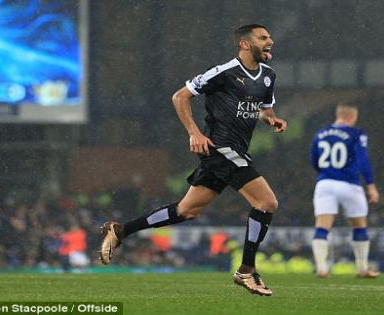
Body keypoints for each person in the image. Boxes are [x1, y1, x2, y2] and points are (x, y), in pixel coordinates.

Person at [99, 24, 287, 296]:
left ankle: (121, 231)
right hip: (221, 148)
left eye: (269, 36)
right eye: (263, 37)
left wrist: (272, 119)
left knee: (186, 211)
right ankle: (247, 270)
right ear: (245, 44)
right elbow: (180, 96)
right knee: (267, 202)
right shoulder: (224, 72)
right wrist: (194, 133)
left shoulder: (268, 76)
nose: (270, 41)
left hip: (233, 152)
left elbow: (264, 108)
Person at [309, 101, 380, 278]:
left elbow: (314, 159)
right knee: (359, 226)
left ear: (338, 115)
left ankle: (322, 268)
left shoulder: (321, 133)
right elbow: (363, 160)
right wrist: (370, 185)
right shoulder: (356, 134)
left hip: (325, 183)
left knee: (322, 227)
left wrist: (327, 172)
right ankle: (362, 268)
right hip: (349, 184)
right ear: (353, 116)